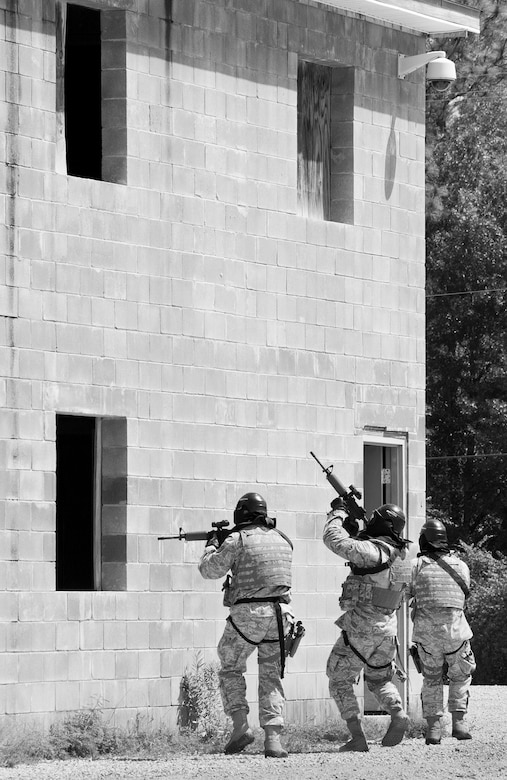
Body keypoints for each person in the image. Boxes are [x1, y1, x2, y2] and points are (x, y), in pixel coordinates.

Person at [198, 492, 294, 759]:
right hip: (281, 614)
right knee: (271, 676)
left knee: (230, 666)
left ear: (241, 514)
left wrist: (210, 546)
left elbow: (209, 570)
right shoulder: (282, 539)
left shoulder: (237, 539)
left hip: (250, 613)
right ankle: (273, 740)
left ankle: (241, 727)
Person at [323, 499, 411, 752]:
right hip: (388, 630)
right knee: (379, 680)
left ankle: (357, 736)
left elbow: (334, 541)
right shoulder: (401, 556)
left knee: (338, 679)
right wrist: (356, 530)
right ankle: (398, 714)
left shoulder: (374, 551)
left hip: (362, 629)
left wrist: (338, 513)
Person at [408, 518, 475, 745]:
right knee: (460, 676)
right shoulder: (461, 566)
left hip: (427, 636)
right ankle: (459, 724)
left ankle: (434, 730)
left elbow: (404, 594)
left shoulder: (416, 567)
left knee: (432, 679)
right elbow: (463, 597)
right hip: (456, 632)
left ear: (423, 540)